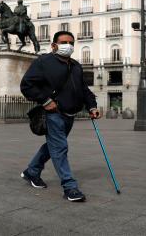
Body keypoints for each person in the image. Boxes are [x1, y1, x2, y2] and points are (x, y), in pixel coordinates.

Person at [20, 31, 101, 202]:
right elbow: (26, 85)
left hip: (70, 115)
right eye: (64, 42)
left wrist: (92, 106)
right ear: (54, 45)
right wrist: (45, 100)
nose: (68, 46)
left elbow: (84, 90)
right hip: (53, 113)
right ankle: (70, 187)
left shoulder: (76, 66)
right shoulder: (43, 62)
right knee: (60, 147)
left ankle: (32, 171)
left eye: (71, 43)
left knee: (52, 146)